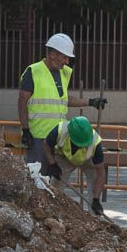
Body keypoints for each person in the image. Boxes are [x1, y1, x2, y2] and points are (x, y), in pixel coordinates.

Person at [16, 33, 104, 166]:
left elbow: (62, 99)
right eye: (64, 57)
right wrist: (26, 130)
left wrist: (91, 102)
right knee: (38, 179)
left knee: (54, 179)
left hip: (59, 136)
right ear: (52, 55)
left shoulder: (63, 73)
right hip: (38, 137)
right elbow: (22, 101)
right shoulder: (33, 71)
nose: (67, 62)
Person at [44, 115, 109, 216]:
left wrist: (96, 199)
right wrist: (53, 164)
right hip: (64, 158)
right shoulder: (60, 130)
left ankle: (95, 218)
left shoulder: (96, 143)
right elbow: (46, 146)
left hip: (88, 159)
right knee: (55, 186)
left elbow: (101, 173)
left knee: (94, 184)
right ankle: (51, 213)